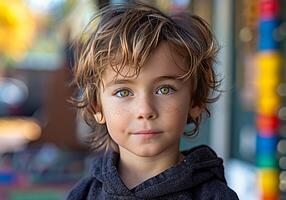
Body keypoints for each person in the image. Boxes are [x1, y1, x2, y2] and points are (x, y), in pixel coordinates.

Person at [68, 2, 239, 199]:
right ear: (97, 107)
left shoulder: (215, 196)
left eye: (164, 89)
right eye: (123, 92)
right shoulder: (83, 194)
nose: (145, 110)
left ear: (195, 101)